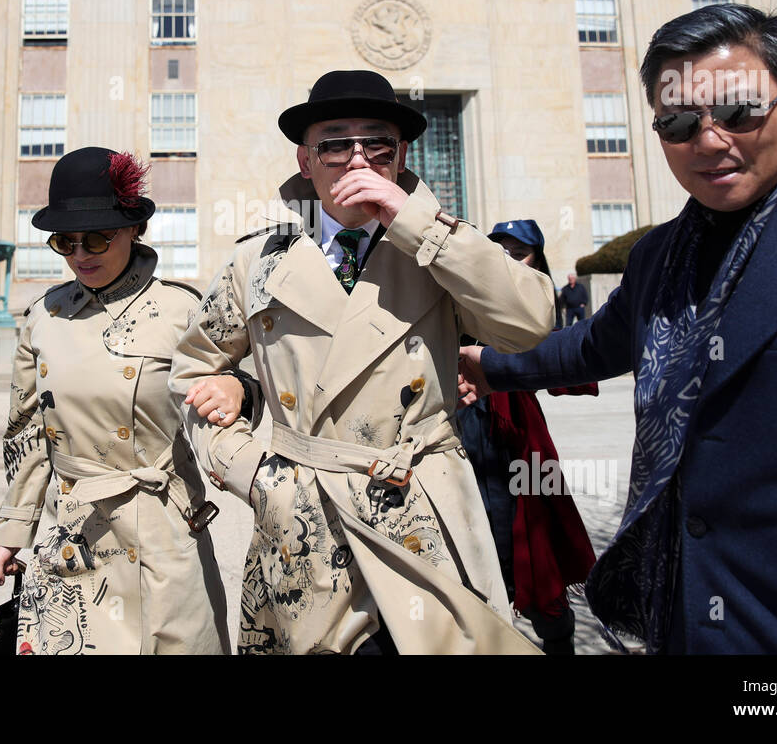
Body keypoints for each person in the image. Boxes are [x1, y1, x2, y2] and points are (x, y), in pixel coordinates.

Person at [459, 4, 777, 653]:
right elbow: (593, 346)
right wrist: (486, 363)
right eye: (679, 122)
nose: (709, 140)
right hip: (684, 611)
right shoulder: (657, 256)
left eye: (738, 111)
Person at [169, 69, 556, 654]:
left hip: (420, 508)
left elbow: (529, 324)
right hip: (302, 516)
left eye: (379, 144)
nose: (358, 159)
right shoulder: (257, 261)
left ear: (400, 158)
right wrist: (249, 469)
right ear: (306, 161)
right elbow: (193, 369)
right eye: (335, 143)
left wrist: (417, 224)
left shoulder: (447, 248)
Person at [0, 147, 234, 654]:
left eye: (98, 236)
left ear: (134, 231)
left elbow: (230, 404)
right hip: (77, 537)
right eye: (65, 241)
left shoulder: (182, 310)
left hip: (163, 527)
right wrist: (11, 532)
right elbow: (28, 435)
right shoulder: (43, 316)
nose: (80, 253)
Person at [456, 219, 597, 655]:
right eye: (499, 251)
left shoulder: (534, 306)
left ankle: (558, 641)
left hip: (516, 440)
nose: (509, 259)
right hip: (455, 434)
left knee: (537, 552)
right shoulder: (454, 293)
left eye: (520, 252)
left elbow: (568, 363)